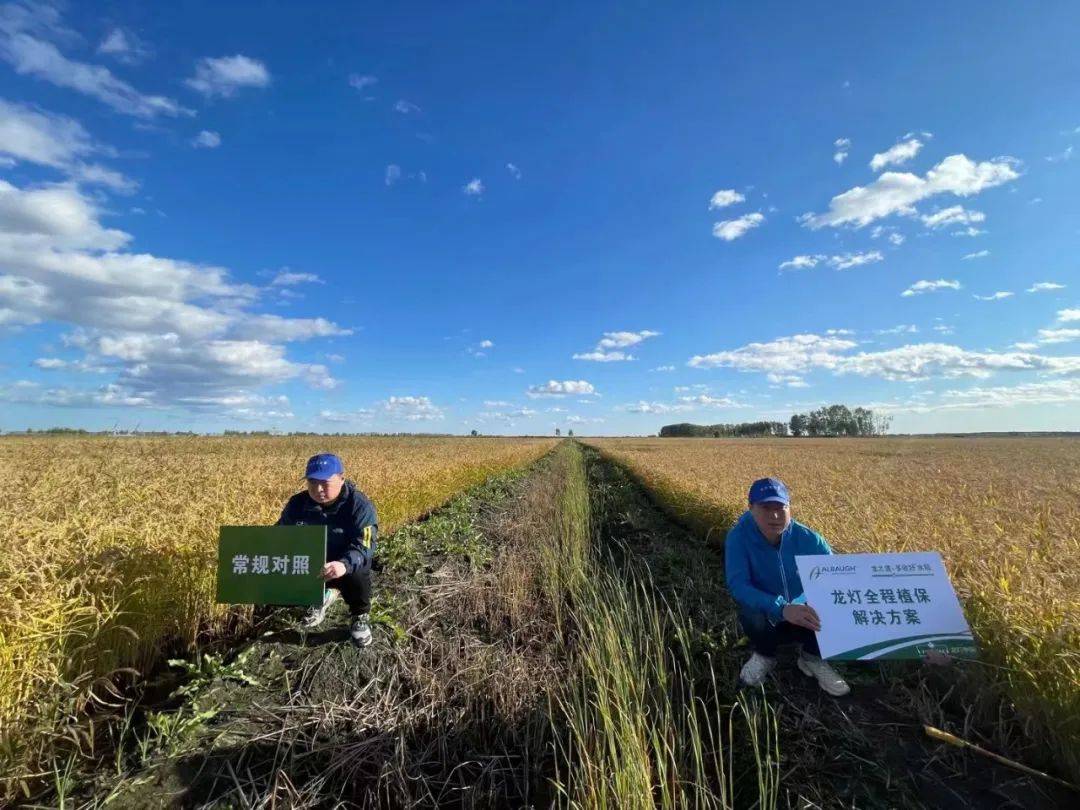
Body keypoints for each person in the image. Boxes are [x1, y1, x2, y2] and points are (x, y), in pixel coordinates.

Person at [725, 477, 850, 696]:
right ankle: (765, 655)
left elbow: (833, 575)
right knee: (751, 612)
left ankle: (812, 658)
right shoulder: (738, 538)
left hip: (804, 615)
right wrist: (781, 607)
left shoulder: (809, 539)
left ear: (789, 508)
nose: (774, 516)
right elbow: (739, 585)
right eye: (766, 508)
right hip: (768, 614)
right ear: (751, 508)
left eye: (781, 508)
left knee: (830, 602)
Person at [277, 453, 377, 647]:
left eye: (325, 482)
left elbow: (365, 544)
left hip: (346, 560)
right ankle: (320, 598)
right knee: (292, 567)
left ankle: (359, 616)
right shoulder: (297, 504)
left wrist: (344, 564)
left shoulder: (360, 506)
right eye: (312, 482)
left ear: (341, 479)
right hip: (314, 559)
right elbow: (280, 533)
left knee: (358, 572)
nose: (318, 489)